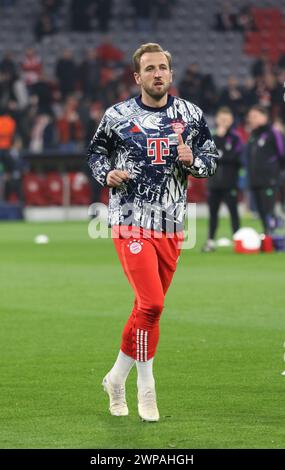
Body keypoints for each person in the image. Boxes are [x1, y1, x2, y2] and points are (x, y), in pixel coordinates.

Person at [87, 43, 219, 422]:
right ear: (137, 77)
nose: (157, 74)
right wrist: (106, 174)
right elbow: (95, 154)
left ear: (171, 74)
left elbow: (211, 159)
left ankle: (115, 379)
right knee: (152, 304)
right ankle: (147, 387)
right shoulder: (118, 116)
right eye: (150, 69)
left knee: (145, 311)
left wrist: (194, 162)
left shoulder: (190, 115)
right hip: (129, 218)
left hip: (172, 225)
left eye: (163, 68)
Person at [202, 107, 243, 252]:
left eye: (227, 119)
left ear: (231, 120)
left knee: (234, 212)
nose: (224, 121)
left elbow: (237, 158)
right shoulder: (211, 136)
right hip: (213, 183)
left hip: (230, 182)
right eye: (222, 118)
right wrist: (219, 140)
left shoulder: (236, 138)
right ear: (217, 119)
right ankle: (210, 241)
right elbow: (208, 156)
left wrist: (221, 156)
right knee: (213, 214)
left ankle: (238, 241)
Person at [246, 105, 285, 233]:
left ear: (264, 117)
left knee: (269, 209)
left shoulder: (274, 133)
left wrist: (277, 173)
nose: (251, 119)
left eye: (254, 116)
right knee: (261, 211)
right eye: (250, 117)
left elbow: (282, 154)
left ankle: (273, 234)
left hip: (270, 179)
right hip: (255, 180)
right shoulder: (253, 135)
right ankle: (268, 235)